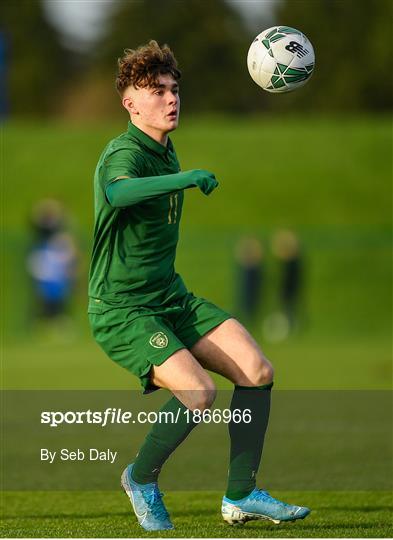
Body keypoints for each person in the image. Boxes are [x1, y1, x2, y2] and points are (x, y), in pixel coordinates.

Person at [88, 40, 310, 532]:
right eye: (157, 91)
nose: (171, 99)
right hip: (123, 309)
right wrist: (185, 178)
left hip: (171, 297)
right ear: (130, 103)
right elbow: (119, 192)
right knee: (198, 391)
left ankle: (241, 493)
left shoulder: (165, 151)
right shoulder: (123, 152)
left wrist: (178, 172)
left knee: (256, 369)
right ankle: (140, 478)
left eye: (174, 89)